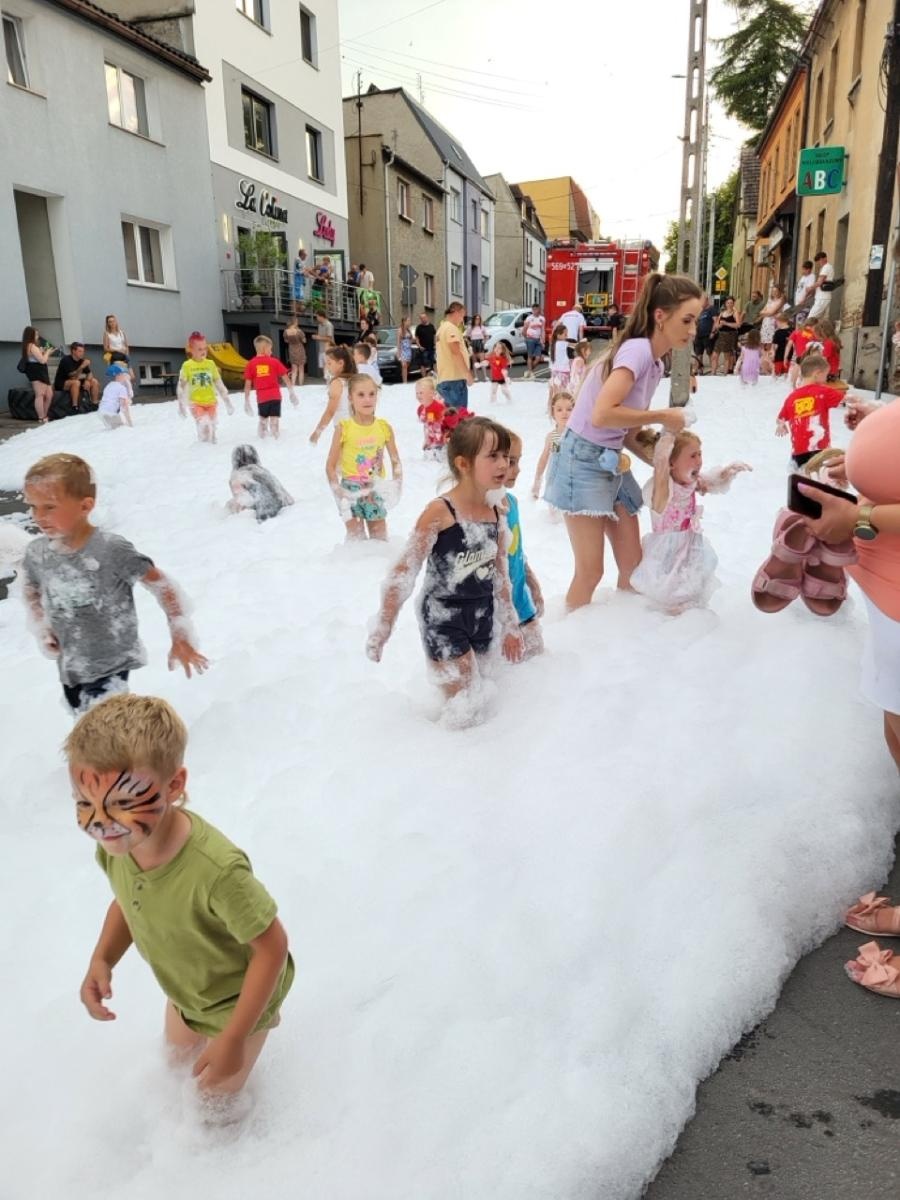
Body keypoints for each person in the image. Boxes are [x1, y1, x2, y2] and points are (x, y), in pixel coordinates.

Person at [68, 694, 293, 1105]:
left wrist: (234, 1038)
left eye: (122, 803)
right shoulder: (120, 847)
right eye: (85, 802)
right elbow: (127, 902)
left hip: (237, 1001)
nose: (100, 822)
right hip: (187, 993)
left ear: (174, 785)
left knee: (212, 1103)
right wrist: (102, 958)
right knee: (173, 1065)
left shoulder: (215, 871)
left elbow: (272, 947)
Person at [543, 272, 701, 610]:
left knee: (633, 568)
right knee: (590, 573)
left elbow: (628, 433)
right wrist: (663, 416)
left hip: (612, 459)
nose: (692, 330)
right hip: (581, 460)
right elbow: (602, 414)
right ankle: (571, 636)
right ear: (661, 316)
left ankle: (621, 638)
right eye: (687, 320)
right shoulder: (638, 351)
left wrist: (673, 467)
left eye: (696, 321)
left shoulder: (655, 363)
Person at [22, 453, 207, 713]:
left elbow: (162, 585)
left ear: (85, 506)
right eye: (33, 506)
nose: (38, 516)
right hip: (70, 665)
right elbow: (30, 588)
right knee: (83, 721)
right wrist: (43, 626)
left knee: (105, 726)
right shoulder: (38, 553)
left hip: (110, 665)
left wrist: (181, 633)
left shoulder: (110, 550)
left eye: (49, 507)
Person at [366, 417, 523, 712]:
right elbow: (404, 571)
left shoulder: (496, 512)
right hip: (443, 616)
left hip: (482, 613)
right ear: (463, 464)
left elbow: (500, 575)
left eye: (505, 455)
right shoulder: (440, 512)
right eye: (493, 456)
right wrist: (383, 625)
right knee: (464, 705)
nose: (504, 464)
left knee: (485, 693)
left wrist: (511, 624)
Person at [631, 430, 750, 613]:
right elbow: (659, 494)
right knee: (668, 592)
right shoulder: (663, 488)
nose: (699, 460)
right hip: (668, 551)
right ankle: (665, 618)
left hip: (690, 544)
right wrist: (662, 457)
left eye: (700, 454)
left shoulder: (690, 480)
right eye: (693, 456)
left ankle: (690, 615)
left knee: (692, 584)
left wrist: (728, 472)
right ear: (671, 463)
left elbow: (712, 483)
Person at [326, 373, 401, 542]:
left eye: (372, 394)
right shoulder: (344, 428)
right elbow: (330, 466)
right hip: (350, 491)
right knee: (357, 544)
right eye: (361, 395)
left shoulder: (383, 427)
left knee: (380, 542)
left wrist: (397, 485)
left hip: (375, 488)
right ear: (350, 398)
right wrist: (339, 493)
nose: (367, 399)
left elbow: (395, 461)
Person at [503, 432, 544, 657]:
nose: (517, 469)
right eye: (510, 462)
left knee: (538, 660)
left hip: (522, 603)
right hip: (499, 615)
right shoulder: (485, 513)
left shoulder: (512, 502)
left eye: (518, 461)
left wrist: (532, 582)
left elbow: (517, 552)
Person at [775, 353, 848, 468]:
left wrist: (781, 425)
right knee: (820, 477)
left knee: (800, 476)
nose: (826, 379)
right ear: (817, 374)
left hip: (798, 450)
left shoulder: (792, 397)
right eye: (825, 375)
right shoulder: (823, 391)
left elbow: (780, 418)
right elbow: (847, 399)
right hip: (820, 447)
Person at [177, 331, 234, 443]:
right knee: (204, 424)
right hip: (196, 402)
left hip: (211, 401)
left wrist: (227, 400)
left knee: (212, 426)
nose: (203, 351)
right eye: (199, 349)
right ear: (191, 349)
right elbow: (181, 386)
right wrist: (181, 404)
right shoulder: (187, 365)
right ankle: (202, 445)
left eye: (205, 348)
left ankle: (211, 445)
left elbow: (218, 382)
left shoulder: (210, 364)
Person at [243, 335, 297, 440]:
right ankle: (276, 438)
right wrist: (292, 392)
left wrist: (246, 400)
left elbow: (247, 385)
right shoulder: (274, 361)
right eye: (270, 349)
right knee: (274, 421)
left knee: (263, 420)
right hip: (275, 397)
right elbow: (286, 378)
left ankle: (262, 438)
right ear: (264, 349)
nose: (271, 352)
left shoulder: (250, 364)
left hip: (262, 398)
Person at [228, 444, 293, 522]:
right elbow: (285, 498)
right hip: (287, 510)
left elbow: (241, 503)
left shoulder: (239, 477)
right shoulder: (264, 472)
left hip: (265, 515)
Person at [531, 391, 575, 500]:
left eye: (569, 409)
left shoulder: (579, 435)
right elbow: (545, 459)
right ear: (553, 413)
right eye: (559, 410)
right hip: (556, 481)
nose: (564, 413)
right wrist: (537, 483)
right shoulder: (554, 436)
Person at [309, 344, 355, 444]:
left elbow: (330, 411)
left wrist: (317, 432)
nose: (327, 367)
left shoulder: (337, 382)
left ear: (341, 363)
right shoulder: (354, 380)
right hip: (357, 426)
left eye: (329, 363)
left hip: (344, 429)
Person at [436, 301, 473, 408]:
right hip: (454, 379)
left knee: (450, 414)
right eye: (462, 316)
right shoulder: (451, 328)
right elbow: (455, 352)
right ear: (456, 312)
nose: (462, 320)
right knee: (459, 414)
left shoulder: (441, 329)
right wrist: (467, 374)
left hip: (446, 377)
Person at [54, 341, 100, 411]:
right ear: (73, 351)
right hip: (62, 382)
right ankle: (75, 407)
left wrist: (87, 380)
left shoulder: (82, 360)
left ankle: (95, 404)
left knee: (94, 381)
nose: (82, 353)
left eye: (83, 351)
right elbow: (72, 376)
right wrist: (82, 366)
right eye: (80, 351)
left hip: (76, 380)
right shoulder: (66, 360)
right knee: (76, 382)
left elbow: (90, 374)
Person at [20, 325, 53, 423]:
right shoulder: (31, 346)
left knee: (49, 394)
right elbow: (42, 360)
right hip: (37, 372)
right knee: (40, 394)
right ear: (30, 335)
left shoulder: (29, 346)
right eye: (36, 334)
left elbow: (36, 357)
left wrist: (42, 352)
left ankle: (44, 415)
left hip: (40, 371)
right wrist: (47, 352)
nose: (38, 336)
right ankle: (41, 417)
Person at [710, 296, 740, 376]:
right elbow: (716, 324)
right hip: (721, 335)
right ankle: (713, 373)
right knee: (714, 355)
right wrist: (718, 326)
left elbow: (738, 325)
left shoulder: (735, 313)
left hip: (729, 335)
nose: (729, 304)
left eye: (731, 303)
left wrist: (726, 323)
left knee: (727, 356)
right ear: (725, 304)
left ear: (733, 304)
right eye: (728, 303)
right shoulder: (722, 313)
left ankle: (725, 374)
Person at [98, 363, 133, 429]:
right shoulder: (122, 388)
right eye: (127, 376)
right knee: (121, 429)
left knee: (114, 428)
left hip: (101, 412)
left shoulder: (109, 385)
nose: (128, 379)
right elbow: (124, 407)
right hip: (110, 414)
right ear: (120, 375)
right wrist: (130, 423)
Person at [785, 319, 817, 386]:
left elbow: (789, 345)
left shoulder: (797, 332)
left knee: (796, 369)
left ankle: (793, 385)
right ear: (814, 325)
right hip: (809, 356)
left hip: (798, 356)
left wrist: (785, 357)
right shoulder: (813, 334)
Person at [758, 284, 788, 356]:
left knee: (770, 342)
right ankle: (764, 357)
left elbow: (772, 312)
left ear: (779, 292)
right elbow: (761, 312)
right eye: (773, 291)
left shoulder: (781, 300)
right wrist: (767, 313)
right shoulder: (770, 300)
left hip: (773, 323)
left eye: (776, 291)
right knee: (762, 342)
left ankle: (769, 357)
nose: (774, 293)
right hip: (766, 323)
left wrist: (766, 313)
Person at [807, 250, 835, 322]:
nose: (820, 263)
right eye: (819, 261)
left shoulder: (826, 267)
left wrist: (810, 288)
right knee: (820, 321)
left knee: (810, 319)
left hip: (822, 298)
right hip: (824, 297)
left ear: (824, 258)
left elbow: (819, 282)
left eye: (820, 260)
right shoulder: (828, 267)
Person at [523, 303, 546, 379]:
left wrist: (543, 340)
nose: (535, 311)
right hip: (530, 339)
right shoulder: (529, 318)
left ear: (539, 309)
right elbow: (525, 328)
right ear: (532, 310)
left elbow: (542, 330)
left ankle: (529, 371)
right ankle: (531, 372)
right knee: (530, 356)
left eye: (537, 309)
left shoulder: (542, 319)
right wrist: (525, 337)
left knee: (538, 358)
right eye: (534, 309)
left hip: (538, 339)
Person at [283, 319, 307, 387]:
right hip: (300, 349)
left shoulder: (285, 331)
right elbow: (304, 341)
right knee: (301, 369)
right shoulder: (299, 331)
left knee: (294, 369)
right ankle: (300, 385)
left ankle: (293, 384)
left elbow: (286, 341)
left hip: (291, 349)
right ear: (295, 323)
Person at [694, 296, 716, 371]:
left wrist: (713, 332)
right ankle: (699, 370)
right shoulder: (700, 310)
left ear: (706, 301)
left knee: (710, 353)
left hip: (707, 334)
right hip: (698, 335)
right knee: (698, 353)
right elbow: (696, 322)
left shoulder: (711, 309)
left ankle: (713, 371)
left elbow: (716, 321)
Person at [793, 259, 817, 325]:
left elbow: (809, 290)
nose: (802, 271)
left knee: (801, 322)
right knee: (797, 322)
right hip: (798, 304)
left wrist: (804, 299)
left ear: (808, 269)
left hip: (804, 304)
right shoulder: (803, 277)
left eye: (804, 269)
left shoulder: (811, 277)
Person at [549, 323, 571, 393]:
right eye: (565, 334)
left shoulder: (553, 344)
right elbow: (576, 345)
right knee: (563, 391)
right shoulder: (564, 344)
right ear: (558, 335)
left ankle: (551, 399)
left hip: (554, 370)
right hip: (563, 370)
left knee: (554, 389)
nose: (567, 336)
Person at [467, 314, 489, 380]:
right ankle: (476, 377)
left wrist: (484, 342)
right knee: (474, 361)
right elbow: (466, 336)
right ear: (474, 319)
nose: (477, 320)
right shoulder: (470, 327)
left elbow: (486, 336)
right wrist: (469, 344)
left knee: (482, 360)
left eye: (479, 318)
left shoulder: (482, 327)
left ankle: (485, 376)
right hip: (473, 343)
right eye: (476, 318)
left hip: (480, 343)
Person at [397, 316, 414, 385]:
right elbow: (398, 342)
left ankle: (405, 378)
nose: (409, 322)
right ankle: (405, 382)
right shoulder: (400, 330)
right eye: (408, 321)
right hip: (403, 349)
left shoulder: (408, 330)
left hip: (408, 350)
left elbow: (412, 338)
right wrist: (398, 352)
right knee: (404, 366)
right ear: (404, 321)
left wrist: (411, 342)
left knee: (407, 366)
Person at [292, 247, 309, 315]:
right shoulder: (298, 259)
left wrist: (304, 279)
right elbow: (299, 270)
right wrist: (305, 273)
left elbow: (304, 270)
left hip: (300, 281)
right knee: (297, 297)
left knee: (300, 297)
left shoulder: (302, 261)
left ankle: (299, 311)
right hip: (297, 281)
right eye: (305, 255)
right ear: (302, 255)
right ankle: (296, 313)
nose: (306, 257)